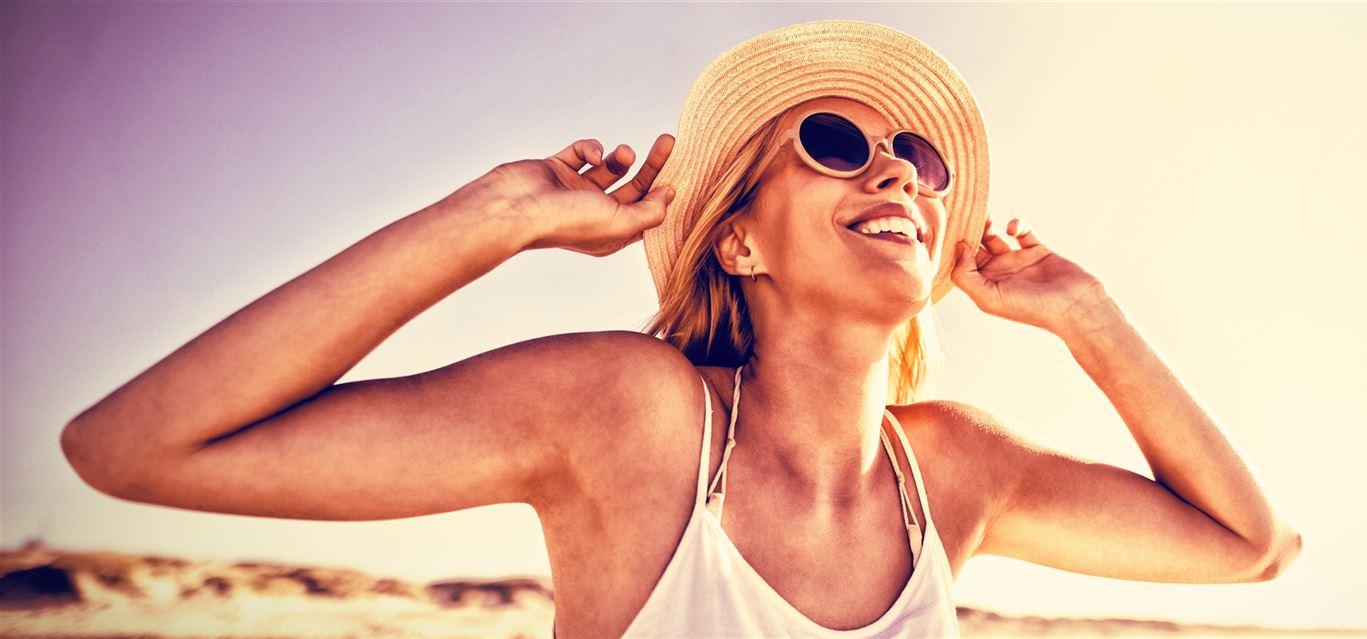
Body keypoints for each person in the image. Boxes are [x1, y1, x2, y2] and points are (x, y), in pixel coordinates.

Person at [60, 19, 1304, 638]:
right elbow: (132, 450)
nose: (900, 177)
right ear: (741, 240)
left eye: (915, 157)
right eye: (834, 146)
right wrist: (486, 219)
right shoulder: (636, 416)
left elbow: (1250, 549)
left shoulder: (954, 471)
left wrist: (1090, 318)